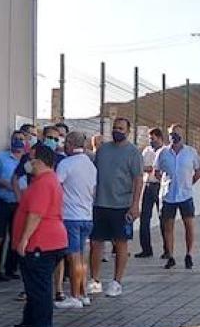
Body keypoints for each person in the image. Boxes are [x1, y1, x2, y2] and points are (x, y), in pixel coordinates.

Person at [11, 143, 68, 327]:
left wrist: (24, 238)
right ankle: (30, 321)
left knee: (39, 287)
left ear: (40, 161)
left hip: (41, 244)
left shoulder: (44, 183)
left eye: (31, 159)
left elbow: (36, 214)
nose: (27, 163)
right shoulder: (44, 180)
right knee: (33, 285)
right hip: (46, 242)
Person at [88, 115, 145, 296]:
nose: (117, 131)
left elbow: (138, 179)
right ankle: (95, 280)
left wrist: (135, 205)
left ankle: (116, 282)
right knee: (96, 243)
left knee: (120, 243)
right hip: (100, 204)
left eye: (121, 128)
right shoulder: (103, 150)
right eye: (115, 127)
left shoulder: (133, 152)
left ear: (128, 132)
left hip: (122, 206)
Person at [54, 130, 97, 308]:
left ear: (70, 144)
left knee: (73, 258)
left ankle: (74, 296)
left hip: (70, 216)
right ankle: (84, 294)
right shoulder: (90, 165)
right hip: (87, 216)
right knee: (81, 257)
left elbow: (55, 186)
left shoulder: (66, 164)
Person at [157, 125, 200, 270]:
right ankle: (170, 256)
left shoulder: (190, 152)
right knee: (168, 227)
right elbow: (157, 171)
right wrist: (164, 184)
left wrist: (189, 184)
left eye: (176, 134)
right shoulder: (162, 152)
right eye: (171, 134)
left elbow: (198, 172)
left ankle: (189, 255)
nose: (173, 136)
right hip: (168, 196)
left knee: (188, 225)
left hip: (185, 195)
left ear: (182, 134)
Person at [0, 127, 32, 280]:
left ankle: (11, 268)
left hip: (20, 203)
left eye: (22, 139)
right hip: (3, 201)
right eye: (16, 138)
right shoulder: (0, 158)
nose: (19, 141)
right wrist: (7, 184)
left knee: (17, 236)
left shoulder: (28, 160)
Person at [135, 126, 167, 258]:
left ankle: (167, 249)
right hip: (148, 185)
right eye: (149, 138)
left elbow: (163, 169)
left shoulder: (165, 151)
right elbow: (142, 167)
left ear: (159, 138)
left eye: (152, 138)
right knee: (144, 218)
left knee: (164, 219)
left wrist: (152, 168)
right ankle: (146, 249)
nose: (151, 141)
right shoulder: (147, 151)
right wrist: (150, 168)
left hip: (160, 186)